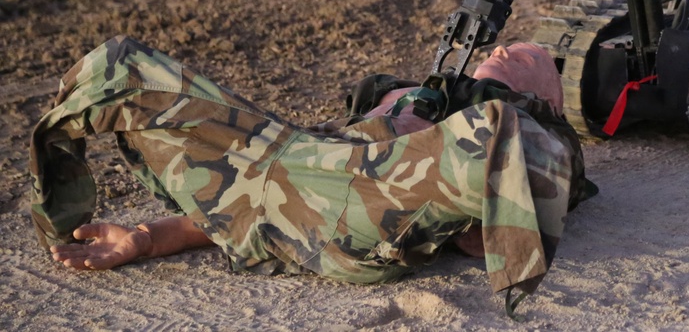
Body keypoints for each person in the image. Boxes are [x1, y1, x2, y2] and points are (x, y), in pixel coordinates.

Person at [29, 36, 593, 313]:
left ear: (541, 92)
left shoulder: (520, 124)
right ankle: (60, 209)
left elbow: (478, 236)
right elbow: (267, 195)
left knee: (510, 136)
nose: (502, 46)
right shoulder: (417, 93)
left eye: (521, 54)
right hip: (291, 164)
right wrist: (150, 238)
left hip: (368, 195)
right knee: (121, 63)